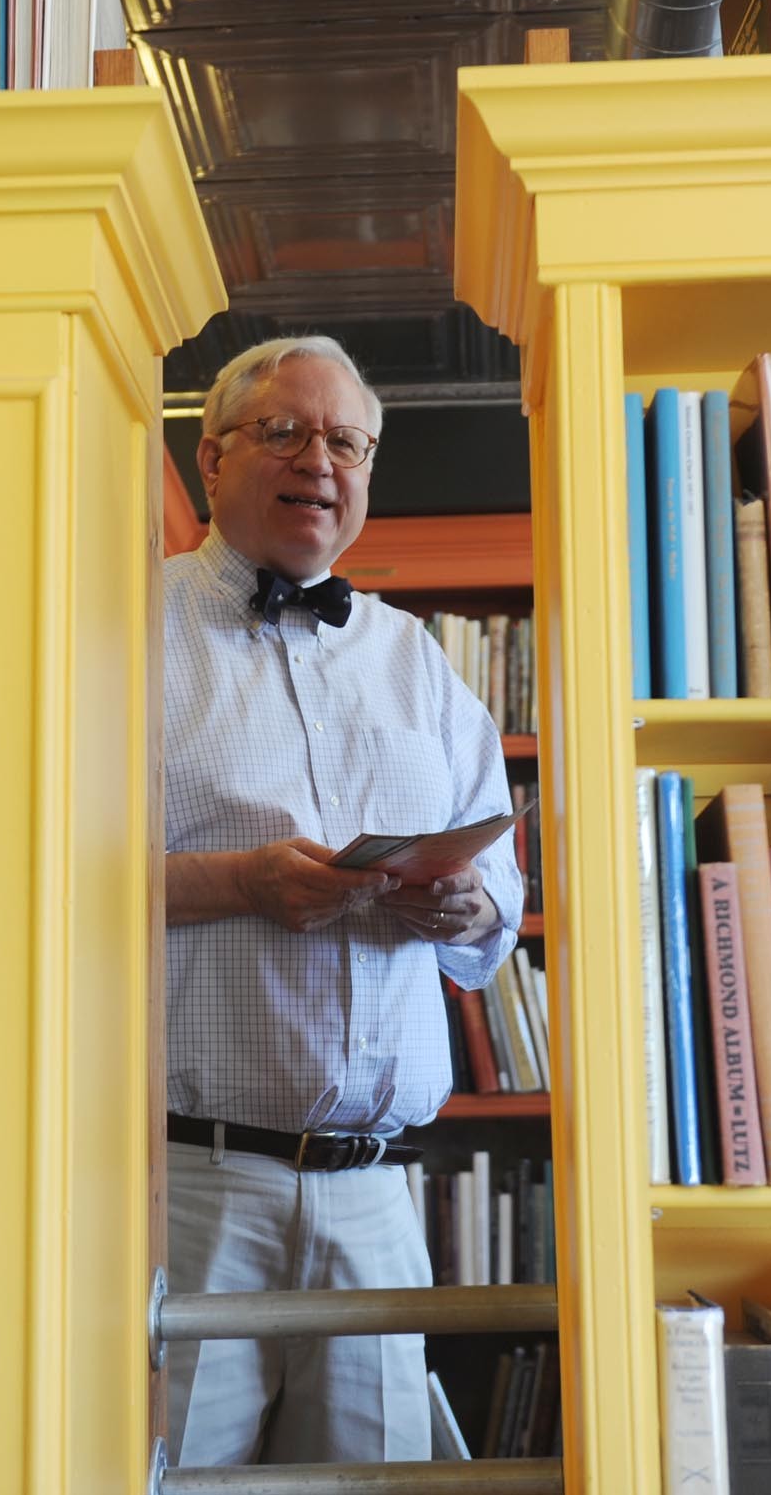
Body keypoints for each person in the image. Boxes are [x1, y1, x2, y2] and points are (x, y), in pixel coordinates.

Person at [161, 335, 524, 1466]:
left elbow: (499, 909)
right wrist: (238, 882)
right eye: (285, 431)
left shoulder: (418, 661)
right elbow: (37, 882)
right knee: (170, 1474)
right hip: (187, 1185)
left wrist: (466, 909)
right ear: (212, 457)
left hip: (375, 1190)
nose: (319, 460)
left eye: (347, 442)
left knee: (382, 1486)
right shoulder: (111, 636)